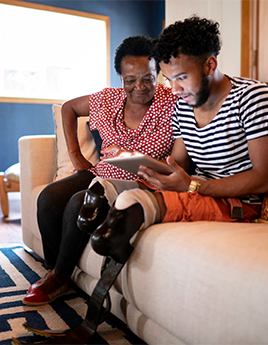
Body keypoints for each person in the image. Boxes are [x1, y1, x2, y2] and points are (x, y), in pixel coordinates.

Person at [20, 16, 268, 345]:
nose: (172, 90)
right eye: (169, 79)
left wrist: (191, 185)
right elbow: (179, 164)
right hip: (192, 188)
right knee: (103, 194)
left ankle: (109, 243)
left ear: (210, 64)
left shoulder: (253, 98)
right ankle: (104, 220)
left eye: (180, 78)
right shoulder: (186, 106)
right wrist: (154, 170)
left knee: (133, 205)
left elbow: (265, 177)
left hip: (236, 203)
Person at [23, 35, 178, 306]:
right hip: (102, 172)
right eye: (130, 80)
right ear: (120, 77)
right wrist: (75, 155)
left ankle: (58, 277)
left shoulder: (173, 103)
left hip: (139, 182)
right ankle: (57, 269)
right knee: (48, 199)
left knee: (77, 204)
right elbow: (69, 108)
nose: (139, 87)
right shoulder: (108, 99)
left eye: (148, 78)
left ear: (158, 74)